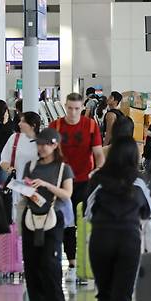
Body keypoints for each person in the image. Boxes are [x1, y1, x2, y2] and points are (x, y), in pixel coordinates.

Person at [85, 136, 151, 301]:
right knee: (122, 297)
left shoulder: (98, 178)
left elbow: (88, 211)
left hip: (101, 238)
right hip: (128, 239)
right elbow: (148, 211)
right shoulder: (139, 180)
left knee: (103, 293)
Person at [49, 92, 105, 282]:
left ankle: (85, 261)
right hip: (61, 182)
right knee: (65, 223)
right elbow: (47, 153)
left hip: (84, 181)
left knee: (85, 222)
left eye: (77, 109)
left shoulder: (90, 126)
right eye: (70, 108)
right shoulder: (55, 126)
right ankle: (72, 262)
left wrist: (98, 171)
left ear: (82, 108)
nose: (73, 113)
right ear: (65, 106)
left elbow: (98, 153)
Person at [22, 128, 73, 301]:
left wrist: (46, 185)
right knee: (32, 262)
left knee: (50, 261)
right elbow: (26, 191)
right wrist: (24, 188)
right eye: (39, 143)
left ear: (54, 145)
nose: (41, 148)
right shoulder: (31, 165)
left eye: (45, 144)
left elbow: (67, 194)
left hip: (53, 217)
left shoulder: (63, 168)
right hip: (31, 216)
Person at [0, 112, 40, 223]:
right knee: (17, 220)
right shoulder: (14, 138)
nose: (19, 124)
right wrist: (9, 169)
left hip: (36, 188)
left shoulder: (42, 142)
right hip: (17, 186)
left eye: (23, 121)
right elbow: (3, 160)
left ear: (33, 125)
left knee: (34, 221)